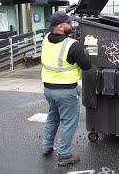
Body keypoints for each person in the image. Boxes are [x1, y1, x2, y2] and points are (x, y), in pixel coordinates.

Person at [41, 11, 91, 166]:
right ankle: (64, 155)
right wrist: (85, 52)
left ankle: (46, 146)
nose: (72, 25)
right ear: (61, 27)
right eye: (69, 23)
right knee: (69, 122)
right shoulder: (72, 45)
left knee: (53, 117)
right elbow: (86, 65)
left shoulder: (45, 40)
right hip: (65, 92)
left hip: (48, 89)